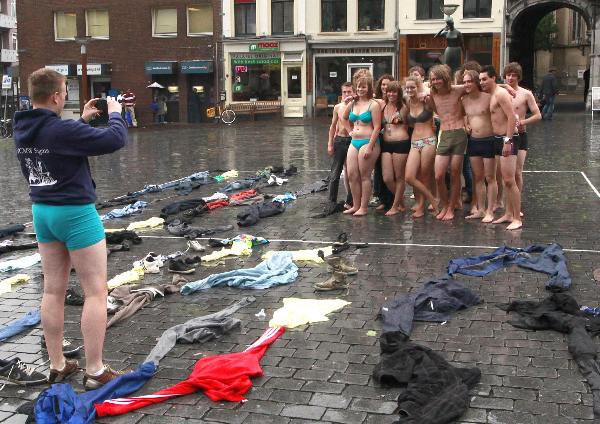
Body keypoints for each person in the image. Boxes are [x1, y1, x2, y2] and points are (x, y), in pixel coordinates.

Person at [13, 68, 128, 388]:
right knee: (95, 291)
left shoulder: (23, 127)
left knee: (52, 290)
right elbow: (114, 139)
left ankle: (58, 363)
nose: (66, 97)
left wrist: (81, 121)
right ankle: (95, 370)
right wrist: (116, 114)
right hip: (75, 213)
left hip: (42, 212)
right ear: (55, 96)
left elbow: (54, 141)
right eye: (64, 92)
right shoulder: (59, 131)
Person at [479, 65, 521, 230]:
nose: (481, 82)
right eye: (480, 79)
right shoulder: (494, 92)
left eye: (484, 79)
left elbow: (511, 116)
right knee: (504, 180)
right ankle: (509, 214)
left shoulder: (501, 94)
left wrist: (508, 140)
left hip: (507, 138)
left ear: (493, 78)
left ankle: (517, 218)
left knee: (510, 180)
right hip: (496, 139)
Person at [428, 64, 468, 221]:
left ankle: (451, 207)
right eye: (433, 79)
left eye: (438, 78)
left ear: (445, 78)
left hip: (459, 132)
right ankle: (444, 205)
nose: (435, 81)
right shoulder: (432, 94)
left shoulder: (457, 90)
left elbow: (479, 85)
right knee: (438, 175)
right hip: (444, 133)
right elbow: (436, 110)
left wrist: (507, 86)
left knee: (455, 173)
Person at [342, 70, 382, 216]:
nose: (360, 89)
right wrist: (350, 131)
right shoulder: (353, 103)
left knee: (365, 175)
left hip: (368, 141)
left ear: (369, 87)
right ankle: (355, 205)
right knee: (352, 174)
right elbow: (344, 117)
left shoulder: (374, 104)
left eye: (363, 87)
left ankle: (364, 207)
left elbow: (377, 127)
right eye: (358, 87)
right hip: (354, 141)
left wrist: (370, 147)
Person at [461, 69, 497, 223]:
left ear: (476, 82)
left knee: (490, 177)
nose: (467, 84)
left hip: (488, 140)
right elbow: (465, 117)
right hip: (474, 141)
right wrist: (466, 125)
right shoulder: (464, 100)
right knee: (478, 178)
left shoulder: (489, 98)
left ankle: (490, 210)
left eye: (470, 81)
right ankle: (481, 209)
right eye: (464, 82)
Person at [503, 62, 542, 201]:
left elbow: (538, 115)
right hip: (504, 136)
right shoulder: (500, 92)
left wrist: (523, 122)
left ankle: (516, 203)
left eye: (514, 75)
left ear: (519, 77)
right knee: (505, 173)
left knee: (517, 172)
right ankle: (504, 202)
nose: (511, 78)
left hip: (520, 135)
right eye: (508, 75)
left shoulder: (526, 94)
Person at [404, 76, 439, 218]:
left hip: (428, 140)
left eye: (413, 87)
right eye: (407, 88)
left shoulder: (426, 100)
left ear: (418, 87)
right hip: (414, 142)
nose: (410, 90)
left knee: (425, 174)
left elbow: (438, 108)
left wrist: (429, 95)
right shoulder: (407, 101)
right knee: (410, 176)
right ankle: (431, 199)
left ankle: (421, 206)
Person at [380, 81, 410, 216]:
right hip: (386, 144)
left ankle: (395, 205)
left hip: (401, 143)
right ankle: (400, 200)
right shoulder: (382, 105)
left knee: (399, 177)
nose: (391, 94)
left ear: (399, 93)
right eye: (389, 91)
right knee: (387, 178)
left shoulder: (404, 107)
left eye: (394, 92)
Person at [327, 82, 354, 208]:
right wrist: (330, 143)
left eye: (349, 91)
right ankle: (331, 201)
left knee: (351, 172)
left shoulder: (356, 106)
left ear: (353, 92)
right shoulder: (337, 107)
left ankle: (350, 200)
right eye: (344, 92)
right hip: (339, 140)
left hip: (352, 141)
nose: (347, 94)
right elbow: (333, 126)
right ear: (341, 93)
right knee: (335, 173)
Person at [372, 74, 395, 211]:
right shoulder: (376, 102)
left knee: (392, 171)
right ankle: (382, 198)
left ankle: (394, 198)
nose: (385, 87)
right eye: (383, 85)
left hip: (394, 140)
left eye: (388, 84)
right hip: (380, 138)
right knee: (379, 170)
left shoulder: (396, 101)